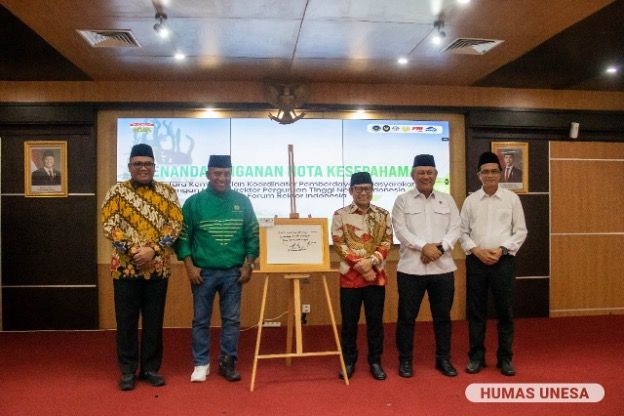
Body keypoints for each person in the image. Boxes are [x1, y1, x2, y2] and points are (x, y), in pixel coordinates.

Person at [101, 143, 183, 391]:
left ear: (154, 166)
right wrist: (135, 252)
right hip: (125, 269)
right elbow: (109, 226)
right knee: (125, 322)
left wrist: (153, 250)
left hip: (157, 269)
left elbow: (175, 224)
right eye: (138, 164)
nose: (143, 168)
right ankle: (127, 370)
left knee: (154, 321)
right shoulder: (116, 192)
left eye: (148, 164)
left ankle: (150, 369)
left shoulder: (168, 193)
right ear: (130, 167)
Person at [175, 155, 259, 383]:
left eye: (226, 173)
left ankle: (227, 362)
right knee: (201, 320)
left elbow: (252, 235)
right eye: (217, 173)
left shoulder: (242, 201)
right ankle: (201, 363)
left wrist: (248, 264)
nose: (222, 178)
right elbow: (183, 238)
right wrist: (189, 267)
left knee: (231, 320)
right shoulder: (194, 203)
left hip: (234, 273)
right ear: (208, 174)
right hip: (203, 273)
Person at [392, 154, 460, 378]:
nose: (425, 176)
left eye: (429, 172)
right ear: (413, 175)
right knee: (406, 318)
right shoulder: (402, 200)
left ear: (436, 175)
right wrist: (424, 247)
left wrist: (438, 250)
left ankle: (444, 359)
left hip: (443, 269)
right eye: (421, 172)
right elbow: (401, 231)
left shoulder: (447, 199)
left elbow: (456, 229)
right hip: (411, 270)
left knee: (442, 317)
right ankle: (405, 361)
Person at [460, 151, 528, 376]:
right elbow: (462, 233)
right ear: (478, 174)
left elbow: (520, 231)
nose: (490, 175)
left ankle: (505, 358)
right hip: (477, 262)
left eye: (494, 171)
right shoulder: (470, 200)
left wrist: (502, 250)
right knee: (476, 313)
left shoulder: (512, 199)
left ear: (500, 174)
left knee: (505, 313)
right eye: (485, 172)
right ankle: (476, 357)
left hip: (503, 262)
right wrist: (477, 251)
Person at [331, 172, 392, 381]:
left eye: (367, 188)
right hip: (350, 277)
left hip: (377, 276)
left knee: (375, 322)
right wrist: (360, 265)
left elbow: (386, 242)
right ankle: (349, 361)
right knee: (349, 322)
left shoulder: (383, 214)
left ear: (372, 190)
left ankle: (375, 361)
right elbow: (339, 244)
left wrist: (371, 262)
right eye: (359, 189)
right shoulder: (340, 215)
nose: (363, 192)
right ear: (351, 191)